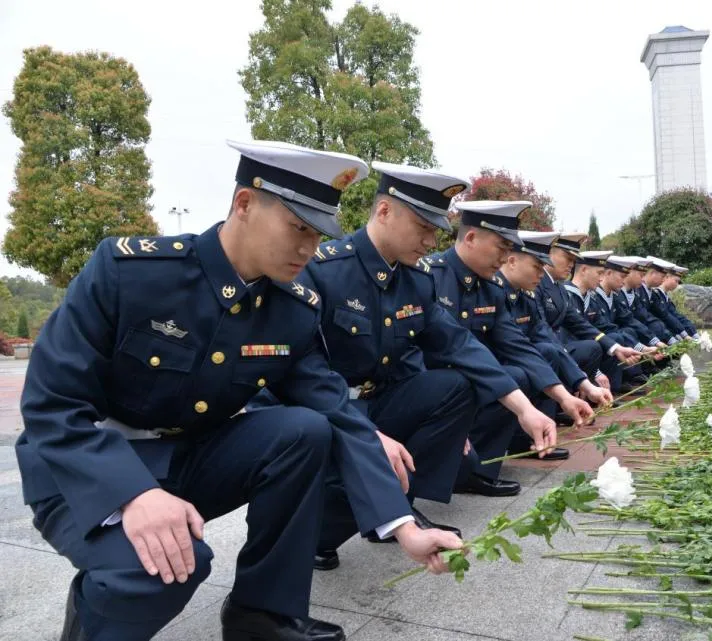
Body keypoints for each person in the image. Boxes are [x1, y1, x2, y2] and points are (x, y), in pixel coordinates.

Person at [16, 140, 460, 641]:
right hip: (84, 466)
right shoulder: (132, 274)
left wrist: (404, 527)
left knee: (304, 430)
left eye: (318, 234)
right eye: (298, 227)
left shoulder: (291, 308)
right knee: (163, 568)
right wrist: (133, 493)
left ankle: (262, 614)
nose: (308, 249)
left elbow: (335, 409)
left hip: (185, 460)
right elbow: (52, 405)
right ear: (244, 203)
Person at [258, 162, 558, 569]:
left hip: (377, 400)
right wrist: (369, 435)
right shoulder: (324, 270)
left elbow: (458, 343)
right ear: (384, 211)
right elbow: (303, 373)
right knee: (332, 437)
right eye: (423, 227)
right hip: (320, 406)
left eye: (435, 230)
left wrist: (524, 409)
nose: (431, 240)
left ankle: (391, 511)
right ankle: (327, 530)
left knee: (456, 387)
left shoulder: (416, 280)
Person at [419, 201, 593, 477]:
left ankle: (479, 470)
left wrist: (564, 397)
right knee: (463, 383)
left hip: (472, 380)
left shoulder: (491, 287)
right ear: (471, 238)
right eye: (502, 248)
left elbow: (517, 345)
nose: (504, 258)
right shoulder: (429, 276)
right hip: (431, 385)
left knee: (516, 374)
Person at [497, 230, 613, 450]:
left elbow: (541, 336)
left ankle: (533, 433)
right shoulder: (495, 291)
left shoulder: (526, 294)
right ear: (512, 261)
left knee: (547, 352)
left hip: (513, 365)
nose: (541, 274)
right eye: (537, 267)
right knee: (524, 368)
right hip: (488, 373)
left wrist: (585, 385)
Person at [537, 233, 643, 390]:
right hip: (548, 347)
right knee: (582, 348)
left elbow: (579, 323)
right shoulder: (538, 283)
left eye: (573, 260)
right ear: (549, 253)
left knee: (597, 345)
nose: (571, 264)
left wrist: (615, 348)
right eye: (568, 258)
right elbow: (543, 327)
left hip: (555, 347)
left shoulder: (559, 287)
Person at [565, 251, 658, 392]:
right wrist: (597, 373)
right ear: (584, 270)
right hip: (568, 352)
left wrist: (641, 348)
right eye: (599, 273)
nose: (601, 278)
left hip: (585, 352)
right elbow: (567, 338)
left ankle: (610, 390)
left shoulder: (589, 298)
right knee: (594, 346)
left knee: (614, 337)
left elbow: (607, 327)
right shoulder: (566, 295)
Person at [618, 256, 674, 344]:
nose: (643, 279)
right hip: (620, 339)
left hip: (632, 337)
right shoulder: (619, 294)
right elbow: (629, 320)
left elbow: (644, 315)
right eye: (641, 275)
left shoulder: (635, 294)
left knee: (657, 325)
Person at [638, 256, 689, 342]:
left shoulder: (651, 292)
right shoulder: (638, 292)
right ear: (653, 273)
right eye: (662, 276)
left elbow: (668, 315)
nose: (664, 279)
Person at [658, 262, 700, 339]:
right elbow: (666, 317)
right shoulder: (657, 295)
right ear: (667, 277)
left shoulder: (665, 296)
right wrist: (682, 334)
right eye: (676, 281)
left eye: (678, 282)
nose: (677, 285)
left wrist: (693, 332)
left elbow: (676, 316)